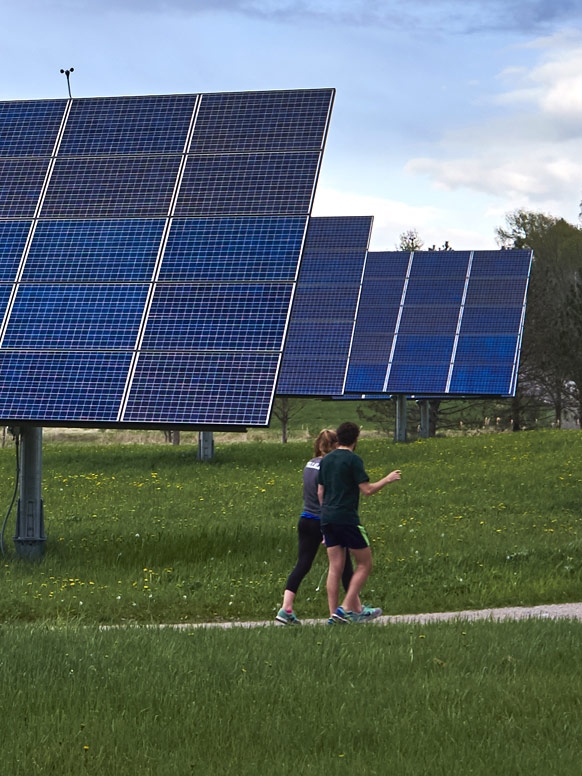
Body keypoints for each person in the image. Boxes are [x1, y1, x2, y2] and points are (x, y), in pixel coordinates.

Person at [317, 421, 401, 624]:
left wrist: (326, 513)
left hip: (327, 517)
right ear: (356, 439)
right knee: (365, 563)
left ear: (338, 438)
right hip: (347, 518)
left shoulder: (326, 460)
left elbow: (320, 491)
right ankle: (345, 609)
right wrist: (387, 479)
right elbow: (367, 490)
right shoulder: (353, 460)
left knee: (335, 567)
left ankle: (332, 614)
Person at [275, 429, 355, 626]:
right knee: (342, 565)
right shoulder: (329, 466)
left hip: (305, 518)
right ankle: (350, 609)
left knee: (303, 563)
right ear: (335, 445)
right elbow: (326, 495)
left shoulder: (309, 464)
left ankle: (286, 608)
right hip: (323, 519)